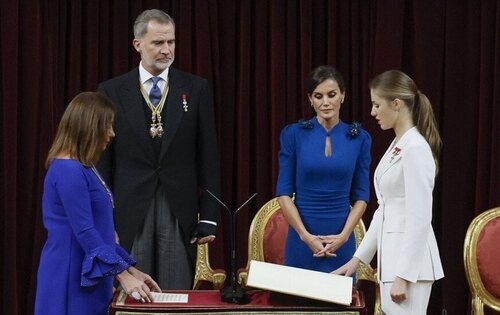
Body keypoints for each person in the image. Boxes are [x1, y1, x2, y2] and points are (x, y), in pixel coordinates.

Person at [97, 9, 220, 289]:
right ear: (138, 44)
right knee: (135, 294)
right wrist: (104, 218)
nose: (167, 50)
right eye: (158, 43)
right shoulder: (111, 91)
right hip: (129, 209)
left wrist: (210, 215)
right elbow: (103, 161)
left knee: (175, 291)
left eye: (171, 42)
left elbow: (208, 156)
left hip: (179, 207)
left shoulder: (196, 88)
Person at [35, 92, 161, 315]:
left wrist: (131, 270)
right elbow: (85, 231)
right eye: (108, 126)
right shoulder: (68, 170)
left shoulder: (84, 167)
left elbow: (103, 233)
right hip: (70, 274)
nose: (112, 134)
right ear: (89, 127)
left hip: (92, 271)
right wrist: (121, 275)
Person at [333, 70, 444, 314]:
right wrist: (357, 259)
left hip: (409, 269)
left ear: (396, 104)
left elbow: (420, 217)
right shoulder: (398, 144)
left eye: (376, 104)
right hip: (392, 262)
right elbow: (385, 210)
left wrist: (403, 275)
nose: (372, 112)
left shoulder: (415, 148)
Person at [275, 65, 372, 275]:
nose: (325, 102)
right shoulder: (293, 135)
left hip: (341, 242)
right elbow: (283, 193)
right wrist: (305, 236)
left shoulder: (360, 139)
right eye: (318, 96)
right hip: (301, 241)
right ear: (310, 99)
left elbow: (362, 196)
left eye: (332, 95)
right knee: (299, 306)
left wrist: (344, 236)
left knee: (341, 306)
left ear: (343, 96)